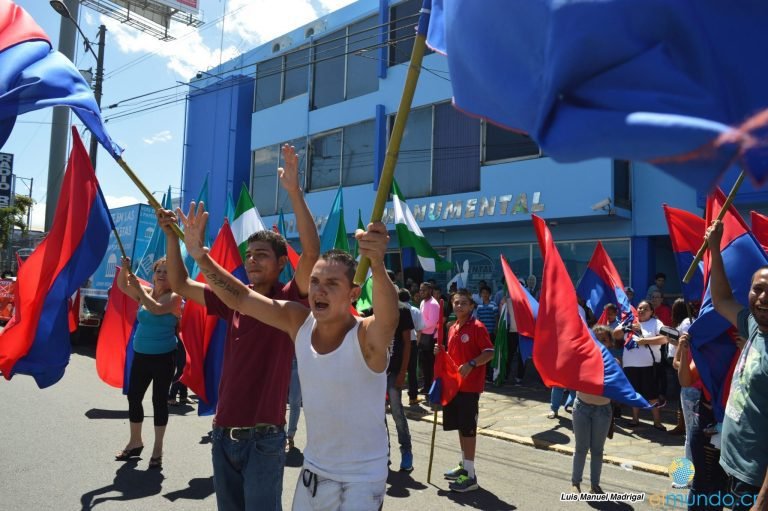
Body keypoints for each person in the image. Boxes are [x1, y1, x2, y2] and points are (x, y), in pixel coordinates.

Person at [178, 201, 398, 510]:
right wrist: (201, 256)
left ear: (353, 294)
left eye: (332, 284)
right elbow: (241, 298)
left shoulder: (365, 337)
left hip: (361, 481)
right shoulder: (299, 321)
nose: (320, 291)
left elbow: (389, 319)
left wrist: (377, 262)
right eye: (315, 282)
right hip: (313, 472)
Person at [158, 144, 319, 510]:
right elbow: (181, 285)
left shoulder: (290, 299)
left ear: (281, 264)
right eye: (248, 255)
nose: (251, 260)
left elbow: (311, 253)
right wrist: (172, 236)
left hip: (265, 439)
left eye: (261, 255)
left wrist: (293, 191)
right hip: (222, 434)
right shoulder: (233, 296)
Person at [705, 221, 768, 510]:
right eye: (758, 289)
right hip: (732, 467)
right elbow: (721, 300)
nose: (763, 297)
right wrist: (714, 249)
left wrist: (762, 501)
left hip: (756, 483)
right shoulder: (754, 325)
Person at [115, 257, 182, 470]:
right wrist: (125, 268)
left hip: (164, 357)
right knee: (134, 398)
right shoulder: (146, 292)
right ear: (153, 274)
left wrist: (140, 290)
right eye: (159, 271)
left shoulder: (174, 297)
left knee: (159, 401)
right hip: (141, 355)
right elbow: (122, 286)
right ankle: (135, 442)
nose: (162, 274)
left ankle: (157, 449)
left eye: (167, 271)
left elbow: (155, 309)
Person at [439, 289, 495, 493]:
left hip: (470, 387)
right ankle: (465, 465)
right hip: (454, 386)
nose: (459, 306)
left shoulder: (477, 327)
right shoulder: (452, 327)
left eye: (464, 303)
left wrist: (472, 363)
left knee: (469, 430)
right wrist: (441, 353)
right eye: (456, 303)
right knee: (461, 428)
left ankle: (470, 477)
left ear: (471, 306)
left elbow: (489, 352)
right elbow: (453, 356)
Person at [570, 325, 615, 495]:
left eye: (604, 340)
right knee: (581, 448)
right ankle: (575, 483)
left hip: (603, 411)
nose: (600, 343)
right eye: (596, 339)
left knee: (597, 450)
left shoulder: (614, 364)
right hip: (582, 407)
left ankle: (595, 485)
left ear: (610, 343)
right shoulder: (581, 359)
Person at [616, 300, 668, 430]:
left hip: (649, 366)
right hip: (630, 365)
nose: (641, 311)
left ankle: (657, 421)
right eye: (639, 308)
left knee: (652, 395)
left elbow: (664, 338)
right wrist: (626, 327)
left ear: (651, 312)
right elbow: (614, 334)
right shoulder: (629, 321)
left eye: (645, 309)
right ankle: (635, 419)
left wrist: (645, 340)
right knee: (635, 393)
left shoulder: (656, 323)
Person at [389, 288, 416, 472]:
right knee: (376, 418)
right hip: (375, 372)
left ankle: (406, 451)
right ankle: (383, 454)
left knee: (397, 413)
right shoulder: (371, 309)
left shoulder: (403, 311)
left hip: (394, 371)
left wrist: (403, 372)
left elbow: (407, 343)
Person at [401, 289, 424, 406]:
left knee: (396, 370)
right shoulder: (415, 310)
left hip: (398, 343)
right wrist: (417, 343)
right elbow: (419, 330)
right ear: (409, 298)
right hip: (412, 342)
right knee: (412, 371)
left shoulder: (395, 310)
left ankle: (392, 398)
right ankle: (413, 397)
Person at [418, 282, 441, 394]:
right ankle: (427, 386)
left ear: (430, 291)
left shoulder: (433, 304)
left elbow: (432, 322)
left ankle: (430, 387)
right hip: (423, 335)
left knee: (430, 364)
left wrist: (419, 326)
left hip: (431, 337)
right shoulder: (423, 302)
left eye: (424, 290)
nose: (421, 292)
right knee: (424, 364)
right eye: (421, 290)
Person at [286, 356, 301, 451]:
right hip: (280, 361)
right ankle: (280, 436)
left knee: (295, 401)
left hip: (297, 362)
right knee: (279, 403)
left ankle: (290, 437)